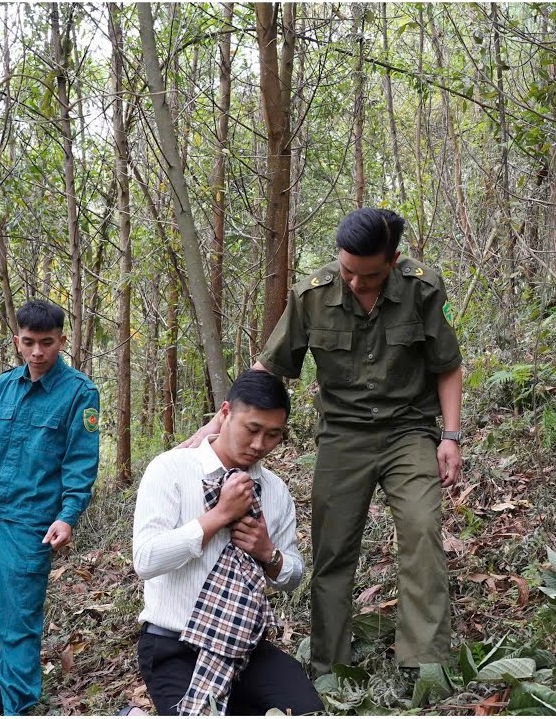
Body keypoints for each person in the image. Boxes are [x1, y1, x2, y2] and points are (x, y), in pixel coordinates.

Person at [183, 207, 463, 678]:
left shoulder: (424, 288)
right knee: (333, 549)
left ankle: (424, 662)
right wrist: (220, 421)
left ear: (392, 261)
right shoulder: (313, 293)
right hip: (343, 435)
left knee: (421, 530)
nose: (353, 282)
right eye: (346, 269)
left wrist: (451, 437)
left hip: (409, 430)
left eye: (366, 274)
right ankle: (329, 663)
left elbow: (447, 365)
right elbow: (270, 365)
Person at [132, 370, 322, 716]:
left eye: (273, 435)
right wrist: (217, 516)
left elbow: (293, 575)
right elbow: (145, 559)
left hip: (244, 644)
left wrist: (269, 555)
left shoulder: (275, 491)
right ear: (225, 414)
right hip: (173, 644)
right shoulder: (171, 469)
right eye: (252, 429)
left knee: (305, 709)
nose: (259, 445)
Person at [0, 299, 101, 715]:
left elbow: (80, 463)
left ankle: (17, 707)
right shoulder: (2, 387)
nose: (38, 352)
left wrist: (67, 516)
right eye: (30, 343)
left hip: (29, 525)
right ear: (17, 341)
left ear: (62, 341)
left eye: (47, 343)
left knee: (17, 625)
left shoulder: (80, 393)